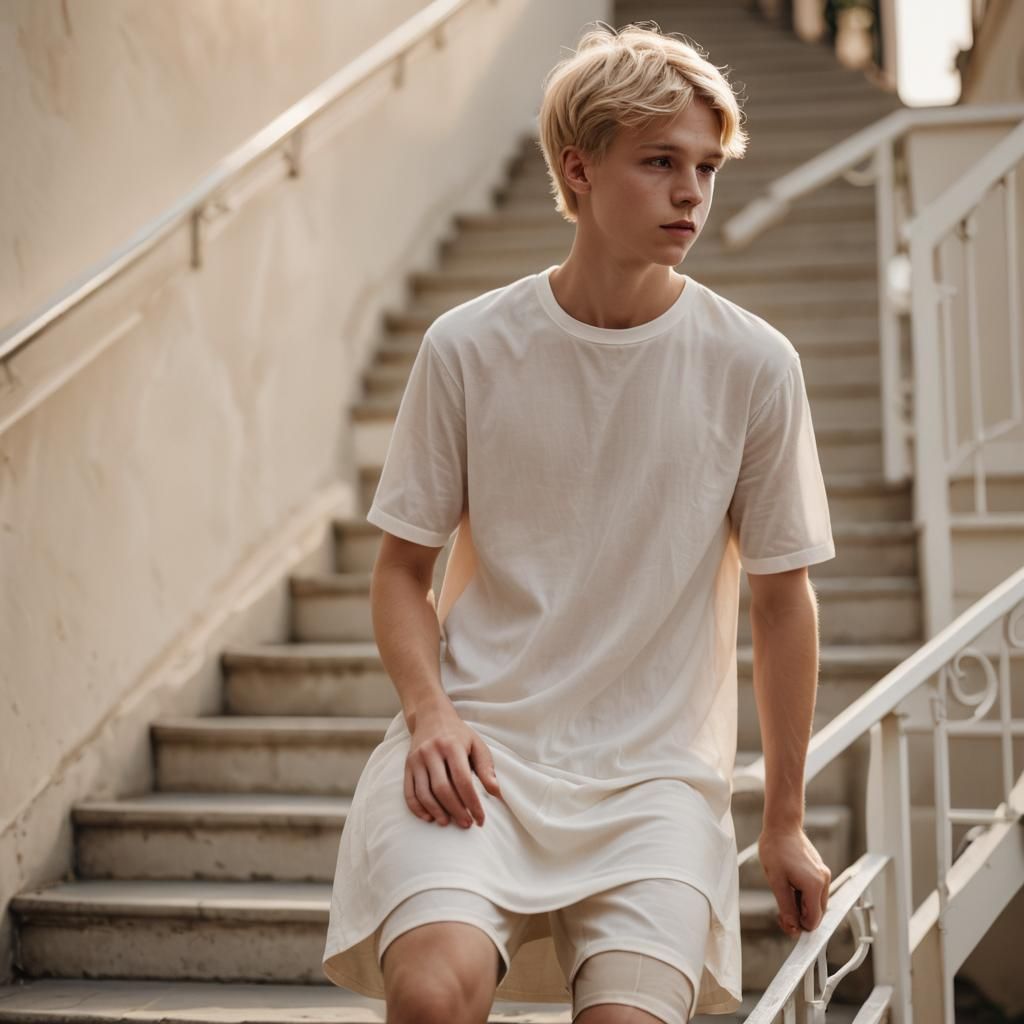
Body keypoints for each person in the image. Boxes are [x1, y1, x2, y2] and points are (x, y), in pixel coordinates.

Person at [322, 19, 835, 1024]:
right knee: (429, 994)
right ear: (579, 167)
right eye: (658, 162)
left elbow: (781, 603)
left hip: (654, 782)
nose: (691, 191)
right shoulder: (467, 347)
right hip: (481, 750)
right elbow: (398, 571)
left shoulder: (753, 364)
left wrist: (782, 822)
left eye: (704, 166)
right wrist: (430, 712)